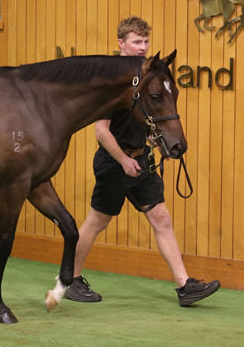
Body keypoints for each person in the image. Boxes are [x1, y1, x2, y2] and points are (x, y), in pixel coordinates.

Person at [64, 16, 220, 307]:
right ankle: (70, 279)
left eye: (146, 41)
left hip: (142, 160)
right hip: (114, 162)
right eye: (137, 42)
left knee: (161, 217)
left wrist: (153, 141)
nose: (143, 47)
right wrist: (122, 159)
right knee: (98, 220)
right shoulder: (111, 83)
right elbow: (101, 131)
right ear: (121, 44)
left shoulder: (147, 77)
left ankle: (185, 286)